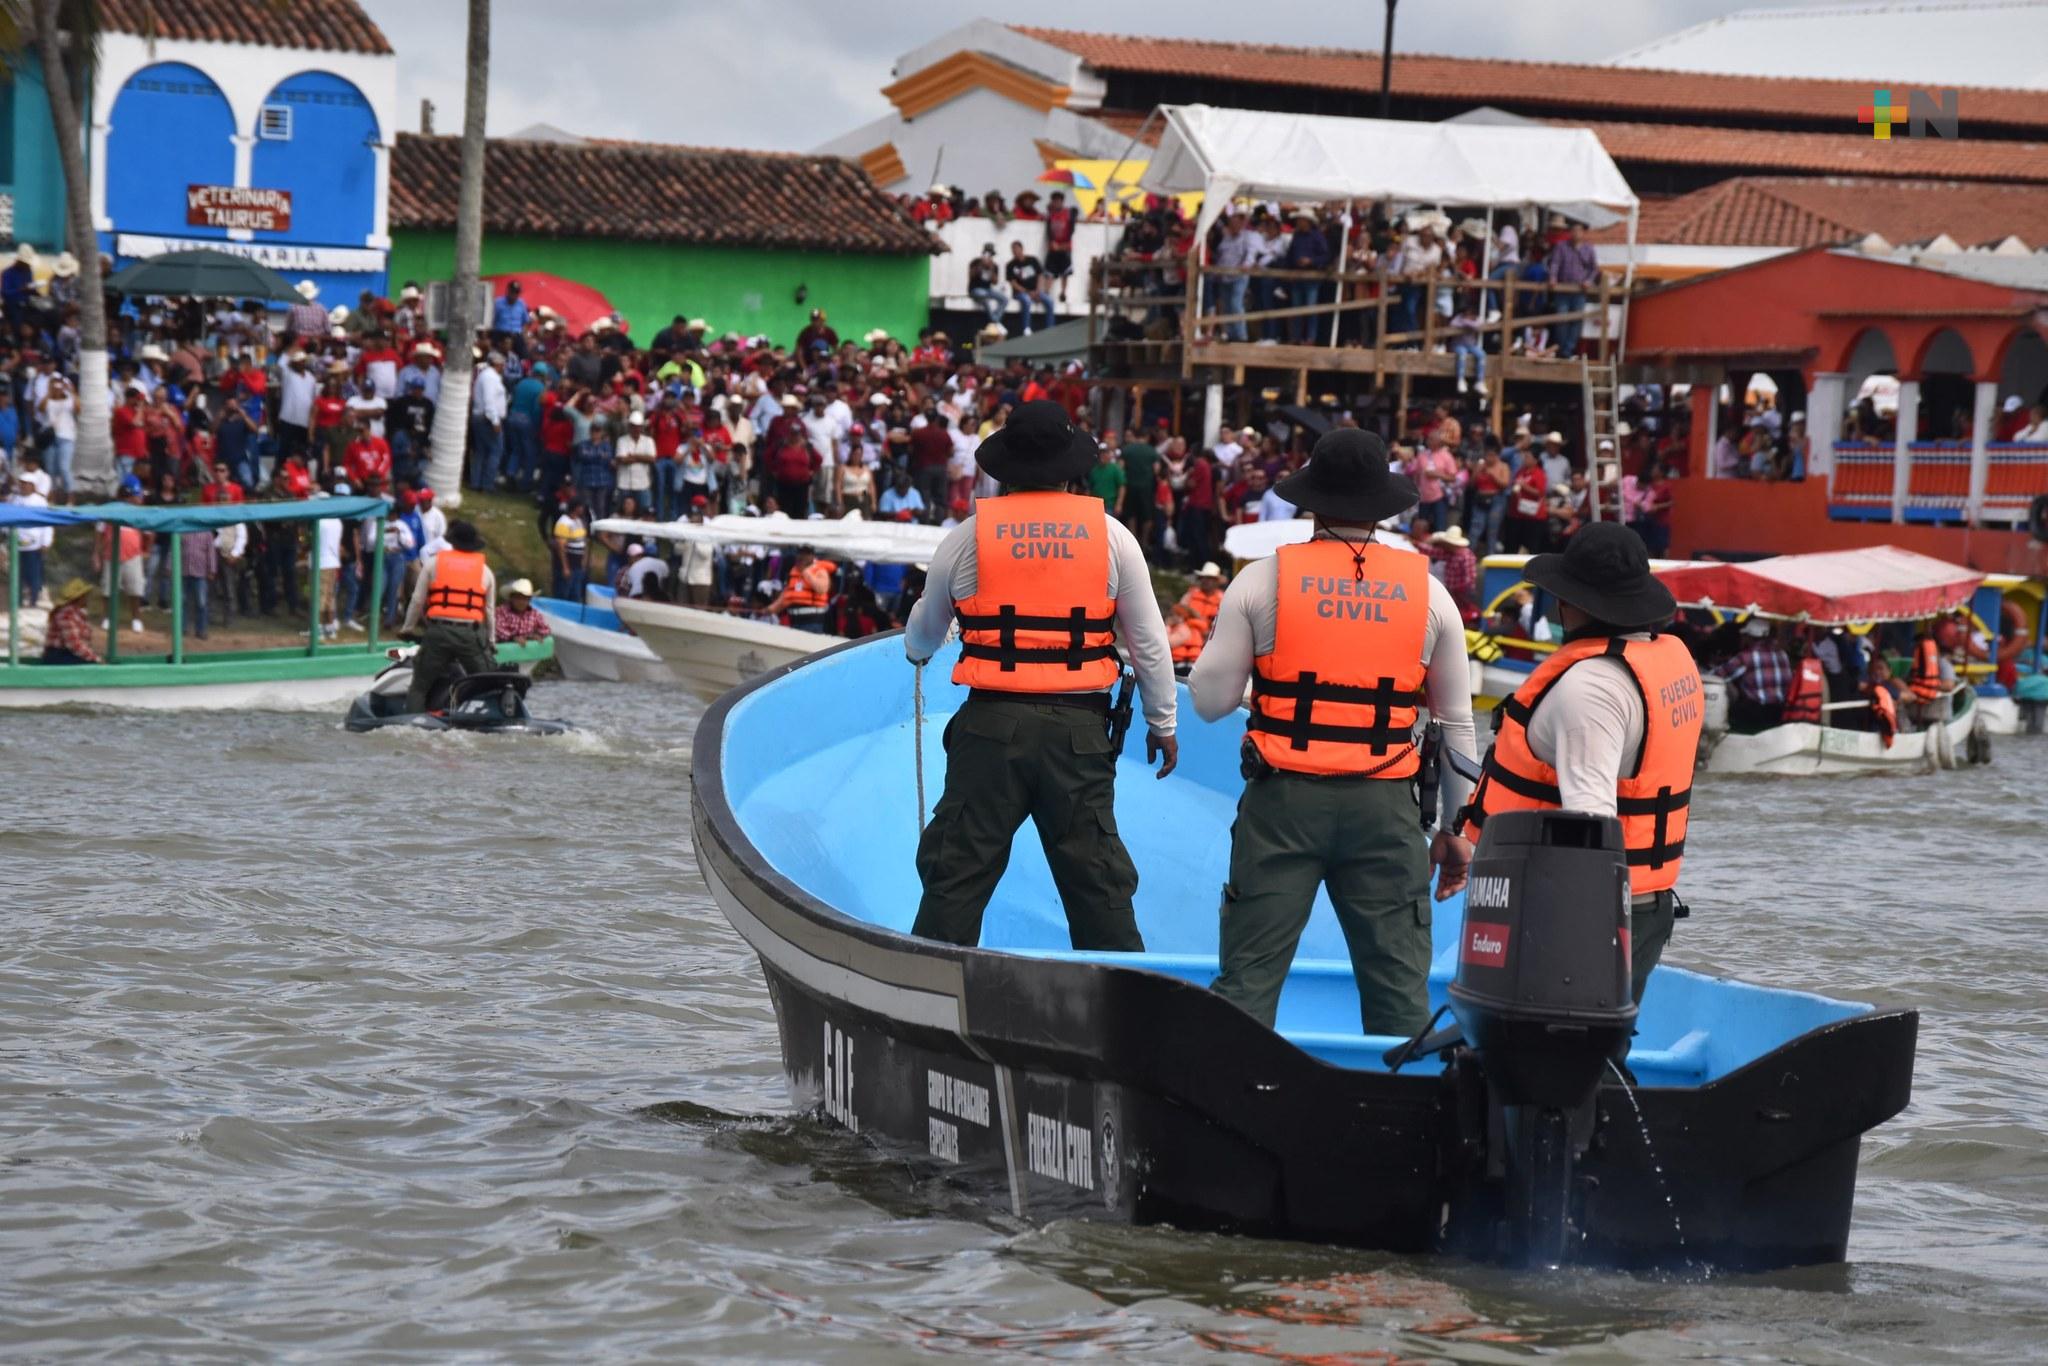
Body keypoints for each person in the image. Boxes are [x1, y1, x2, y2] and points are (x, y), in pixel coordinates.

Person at [1188, 429, 1478, 1034]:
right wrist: (1455, 829)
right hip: (1386, 811)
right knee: (1399, 991)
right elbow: (1456, 726)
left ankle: (1231, 1107)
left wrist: (1261, 689)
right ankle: (1405, 1115)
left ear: (1310, 501)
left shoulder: (1260, 582)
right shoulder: (1430, 594)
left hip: (1282, 803)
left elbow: (1210, 702)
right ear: (1383, 505)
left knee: (1247, 982)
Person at [904, 399, 1178, 951]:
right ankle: (1126, 1002)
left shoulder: (966, 538)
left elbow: (924, 634)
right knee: (1098, 885)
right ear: (1071, 469)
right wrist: (1162, 721)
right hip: (1077, 737)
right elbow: (1148, 642)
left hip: (989, 729)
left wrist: (917, 650)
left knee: (954, 880)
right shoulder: (1112, 537)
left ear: (1004, 468)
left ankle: (926, 991)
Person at [1456, 523, 1701, 1006]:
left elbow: (1592, 822)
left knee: (1552, 1051)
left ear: (1574, 604)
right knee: (1603, 1049)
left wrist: (1583, 942)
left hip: (1579, 910)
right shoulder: (1670, 664)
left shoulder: (1590, 688)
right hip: (1648, 903)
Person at [400, 519, 498, 713]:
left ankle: (412, 724)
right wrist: (491, 640)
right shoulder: (485, 572)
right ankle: (490, 720)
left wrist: (408, 628)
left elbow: (417, 600)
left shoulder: (434, 563)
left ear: (452, 542)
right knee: (488, 683)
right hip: (470, 635)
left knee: (419, 686)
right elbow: (489, 611)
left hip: (438, 632)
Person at [1722, 618, 1792, 732]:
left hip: (1755, 713)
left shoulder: (1746, 656)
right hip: (1779, 711)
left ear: (1750, 637)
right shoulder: (1783, 654)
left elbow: (1720, 676)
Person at [761, 547, 833, 633]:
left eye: (806, 554)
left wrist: (805, 572)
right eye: (800, 553)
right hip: (795, 621)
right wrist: (771, 609)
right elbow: (786, 596)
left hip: (812, 622)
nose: (802, 556)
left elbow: (822, 589)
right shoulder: (794, 572)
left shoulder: (820, 570)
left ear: (812, 556)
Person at [41, 578, 102, 664]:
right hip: (58, 655)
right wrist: (95, 659)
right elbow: (73, 643)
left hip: (67, 653)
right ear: (80, 597)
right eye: (85, 596)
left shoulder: (78, 613)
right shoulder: (66, 614)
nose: (87, 598)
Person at [1005, 240, 1054, 334]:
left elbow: (1040, 275)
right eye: (1013, 250)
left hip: (1036, 291)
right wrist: (1027, 292)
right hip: (1020, 293)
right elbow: (1013, 283)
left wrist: (1038, 290)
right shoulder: (1010, 265)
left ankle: (1050, 328)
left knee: (1049, 301)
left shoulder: (1032, 260)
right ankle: (1027, 328)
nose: (1015, 252)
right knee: (1026, 301)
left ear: (1022, 249)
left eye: (1016, 249)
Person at [494, 578, 551, 644]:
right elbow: (498, 630)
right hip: (504, 651)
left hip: (528, 653)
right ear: (511, 598)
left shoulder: (535, 614)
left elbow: (546, 630)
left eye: (525, 598)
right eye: (518, 598)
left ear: (529, 599)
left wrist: (534, 636)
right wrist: (513, 638)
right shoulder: (501, 611)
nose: (521, 602)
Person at [1178, 561, 1226, 636]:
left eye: (1209, 578)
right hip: (1187, 633)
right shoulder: (1191, 594)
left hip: (1209, 636)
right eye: (1203, 578)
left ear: (1216, 582)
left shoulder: (1223, 599)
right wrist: (1189, 611)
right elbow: (1178, 611)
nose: (1205, 581)